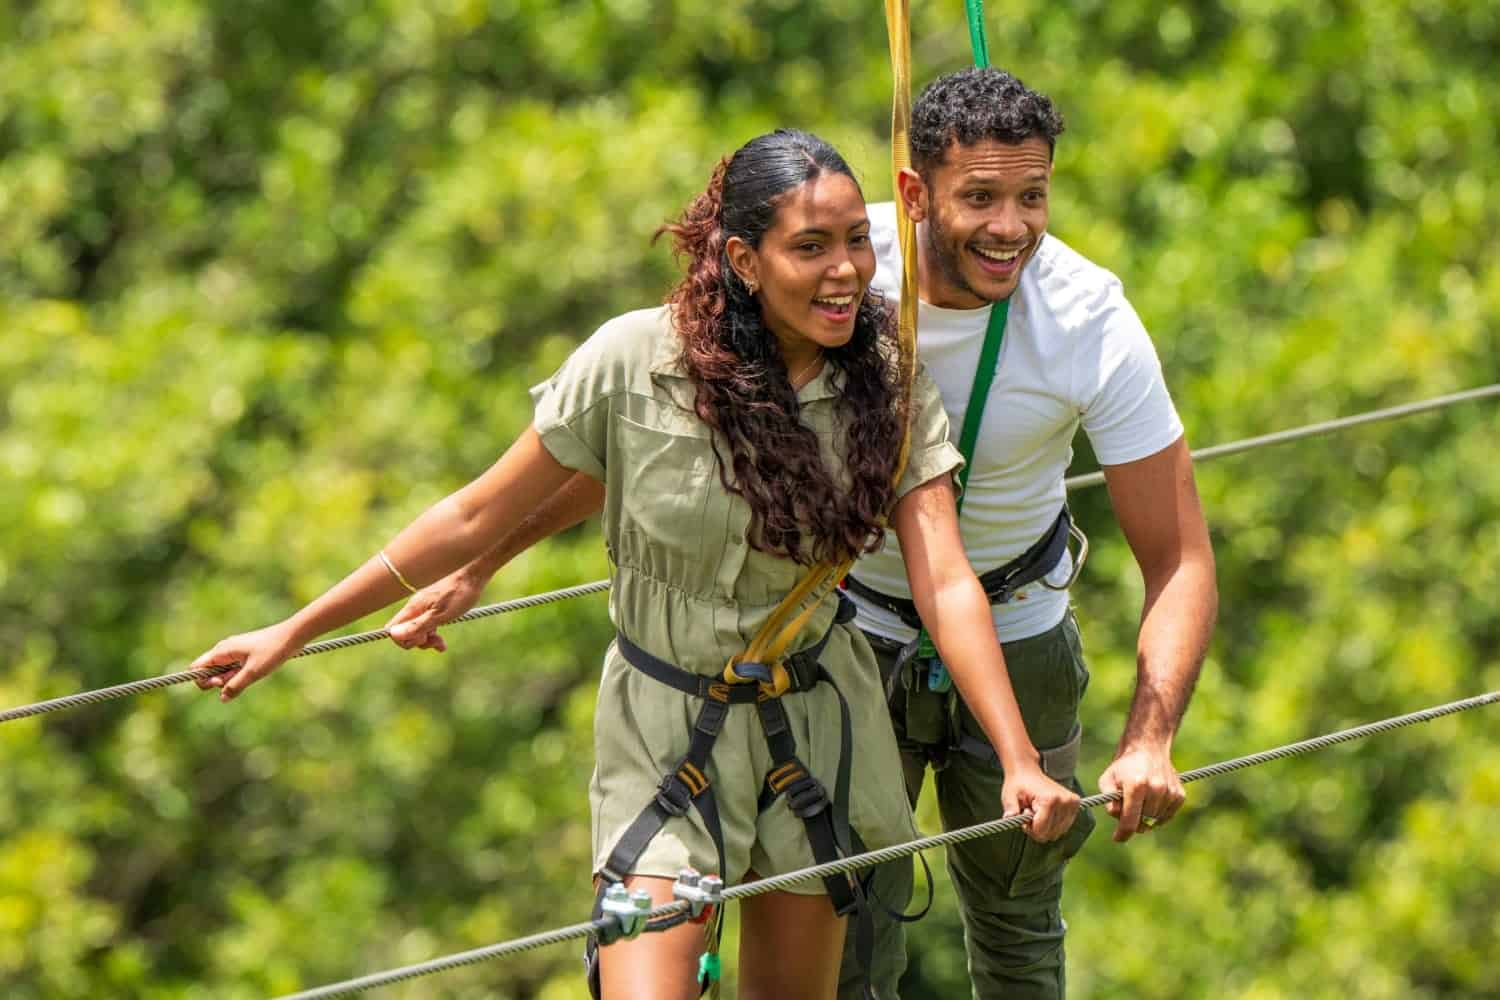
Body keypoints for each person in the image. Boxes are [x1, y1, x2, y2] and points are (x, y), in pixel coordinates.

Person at [190, 128, 1080, 1000]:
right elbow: (472, 512)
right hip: (665, 732)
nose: (846, 269)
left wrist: (1017, 757)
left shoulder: (886, 380)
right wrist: (295, 631)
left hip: (813, 728)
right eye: (811, 247)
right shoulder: (634, 362)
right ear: (742, 259)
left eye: (856, 240)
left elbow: (945, 578)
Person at [390, 69, 1219, 999]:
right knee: (856, 942)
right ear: (914, 196)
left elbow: (1179, 555)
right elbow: (671, 440)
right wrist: (481, 563)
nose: (1011, 227)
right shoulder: (840, 265)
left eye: (1033, 196)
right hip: (846, 637)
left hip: (1017, 626)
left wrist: (1150, 739)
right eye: (978, 197)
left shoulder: (1087, 317)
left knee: (1020, 927)